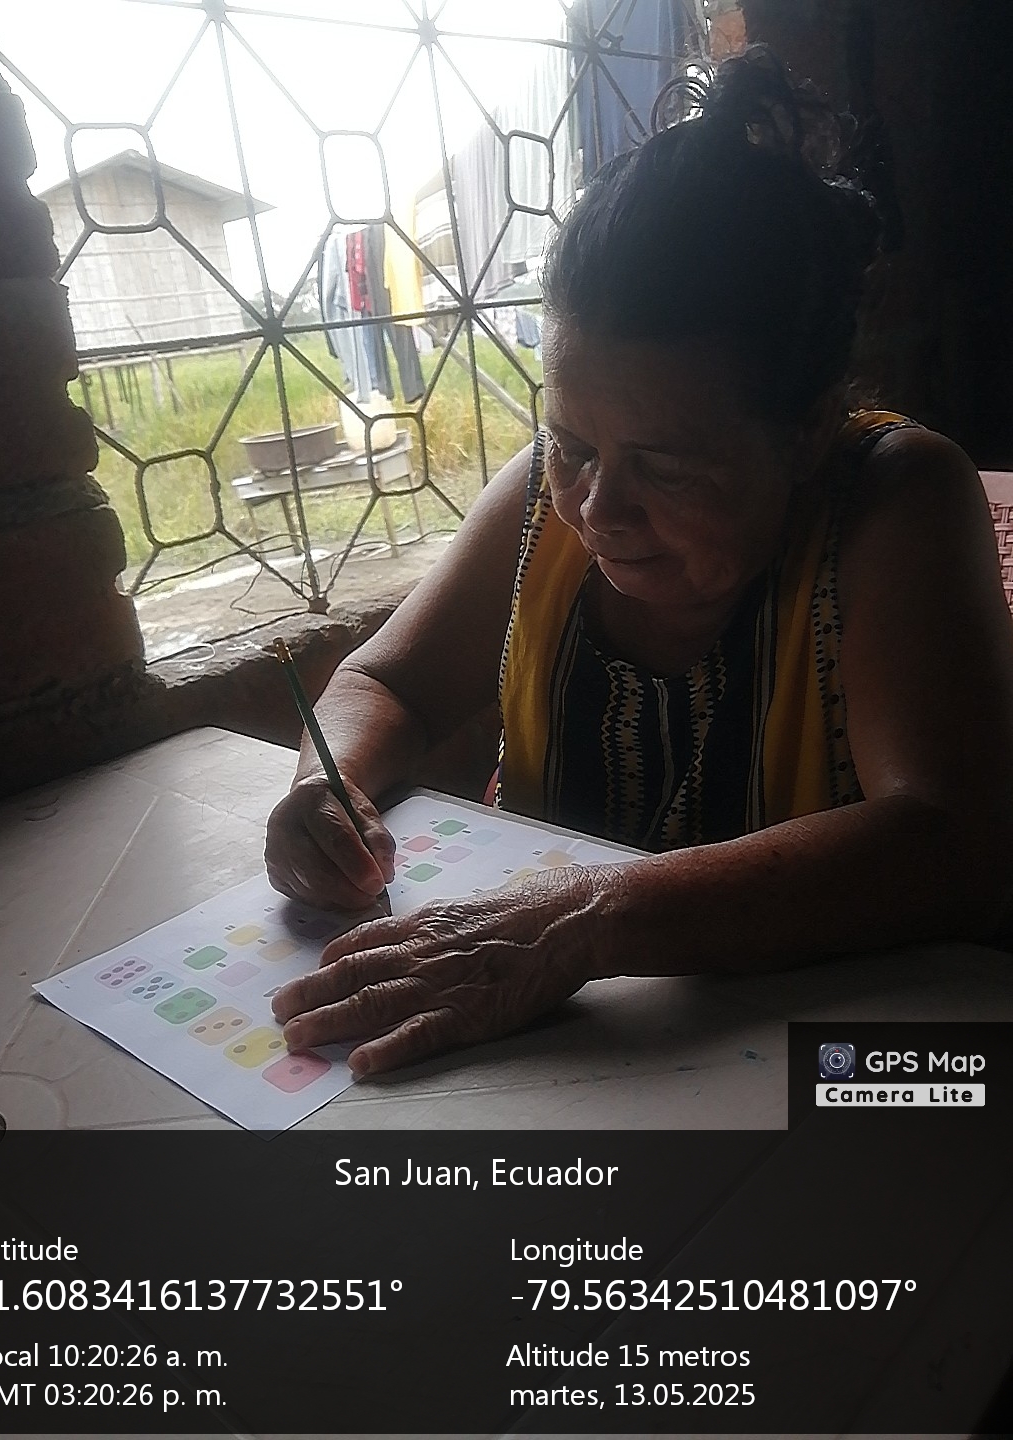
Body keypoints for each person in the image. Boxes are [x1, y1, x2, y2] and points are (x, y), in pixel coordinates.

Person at [265, 47, 1013, 1078]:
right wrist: (329, 781)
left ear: (805, 430)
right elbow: (387, 682)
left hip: (818, 1073)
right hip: (571, 1064)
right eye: (572, 443)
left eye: (665, 466)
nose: (596, 508)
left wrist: (587, 921)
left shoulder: (892, 498)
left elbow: (952, 842)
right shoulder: (542, 499)